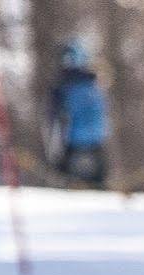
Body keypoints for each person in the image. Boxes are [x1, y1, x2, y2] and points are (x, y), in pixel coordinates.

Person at [47, 39, 109, 187]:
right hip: (96, 139)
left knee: (65, 177)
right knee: (98, 180)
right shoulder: (94, 83)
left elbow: (54, 117)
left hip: (73, 139)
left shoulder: (63, 87)